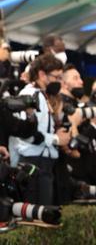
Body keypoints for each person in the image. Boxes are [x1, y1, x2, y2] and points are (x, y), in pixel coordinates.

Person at [8, 53, 71, 205]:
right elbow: (26, 134)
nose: (59, 82)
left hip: (43, 164)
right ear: (42, 74)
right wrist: (56, 139)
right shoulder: (30, 95)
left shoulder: (41, 95)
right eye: (56, 77)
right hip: (33, 164)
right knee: (37, 219)